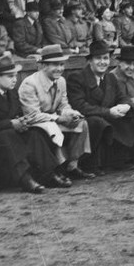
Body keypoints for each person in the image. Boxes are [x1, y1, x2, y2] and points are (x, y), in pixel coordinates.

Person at [17, 44, 94, 187]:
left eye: (61, 64)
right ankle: (57, 169)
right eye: (54, 65)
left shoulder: (61, 81)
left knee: (81, 123)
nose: (59, 68)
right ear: (43, 66)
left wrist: (71, 114)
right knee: (52, 127)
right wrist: (59, 118)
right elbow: (32, 115)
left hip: (53, 120)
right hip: (34, 124)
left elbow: (63, 104)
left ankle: (72, 165)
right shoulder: (29, 84)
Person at [67, 40, 134, 172]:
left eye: (105, 58)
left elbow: (122, 97)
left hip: (106, 115)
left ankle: (122, 159)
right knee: (98, 122)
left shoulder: (110, 78)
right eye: (98, 58)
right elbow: (80, 106)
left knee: (133, 118)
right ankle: (92, 164)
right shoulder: (77, 77)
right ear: (90, 61)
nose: (102, 62)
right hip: (87, 117)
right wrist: (109, 111)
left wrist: (126, 106)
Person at [0, 55, 54, 193]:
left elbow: (17, 114)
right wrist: (10, 123)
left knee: (34, 134)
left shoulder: (12, 93)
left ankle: (49, 173)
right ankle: (25, 179)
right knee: (7, 136)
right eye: (10, 76)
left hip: (13, 135)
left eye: (15, 75)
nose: (14, 79)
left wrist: (23, 122)